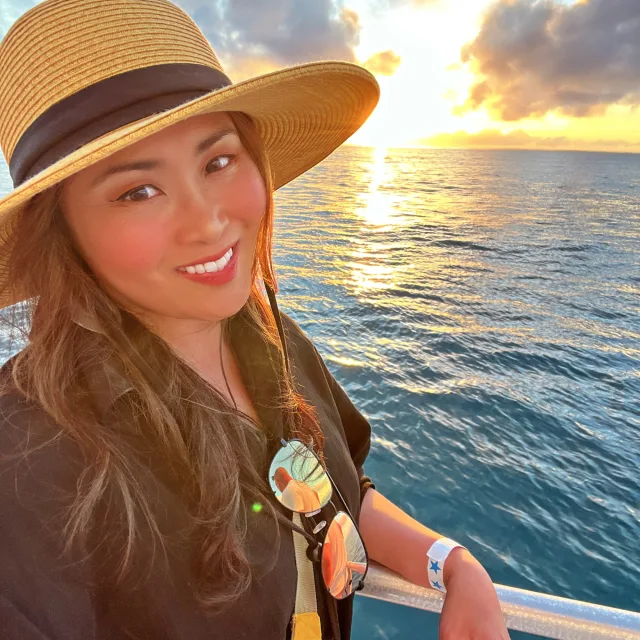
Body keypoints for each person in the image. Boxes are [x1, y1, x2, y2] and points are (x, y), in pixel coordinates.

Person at [0, 1, 510, 638]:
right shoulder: (29, 453)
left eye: (218, 162)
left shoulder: (274, 340)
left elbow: (335, 490)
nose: (209, 221)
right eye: (138, 191)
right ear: (62, 232)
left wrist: (450, 566)